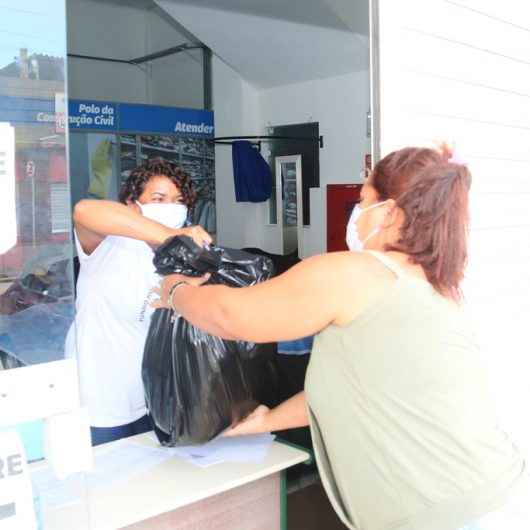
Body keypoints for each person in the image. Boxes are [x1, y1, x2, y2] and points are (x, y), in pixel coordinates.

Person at [153, 146, 529, 530]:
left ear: (388, 211)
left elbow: (231, 316)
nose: (356, 214)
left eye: (362, 200)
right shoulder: (436, 283)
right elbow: (354, 386)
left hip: (443, 511)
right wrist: (267, 420)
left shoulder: (358, 273)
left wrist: (177, 291)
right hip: (491, 493)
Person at [65, 158, 211, 446]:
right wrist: (172, 235)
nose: (171, 207)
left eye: (178, 201)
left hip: (151, 398)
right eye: (159, 198)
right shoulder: (108, 245)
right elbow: (83, 210)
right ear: (133, 204)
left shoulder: (177, 261)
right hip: (99, 402)